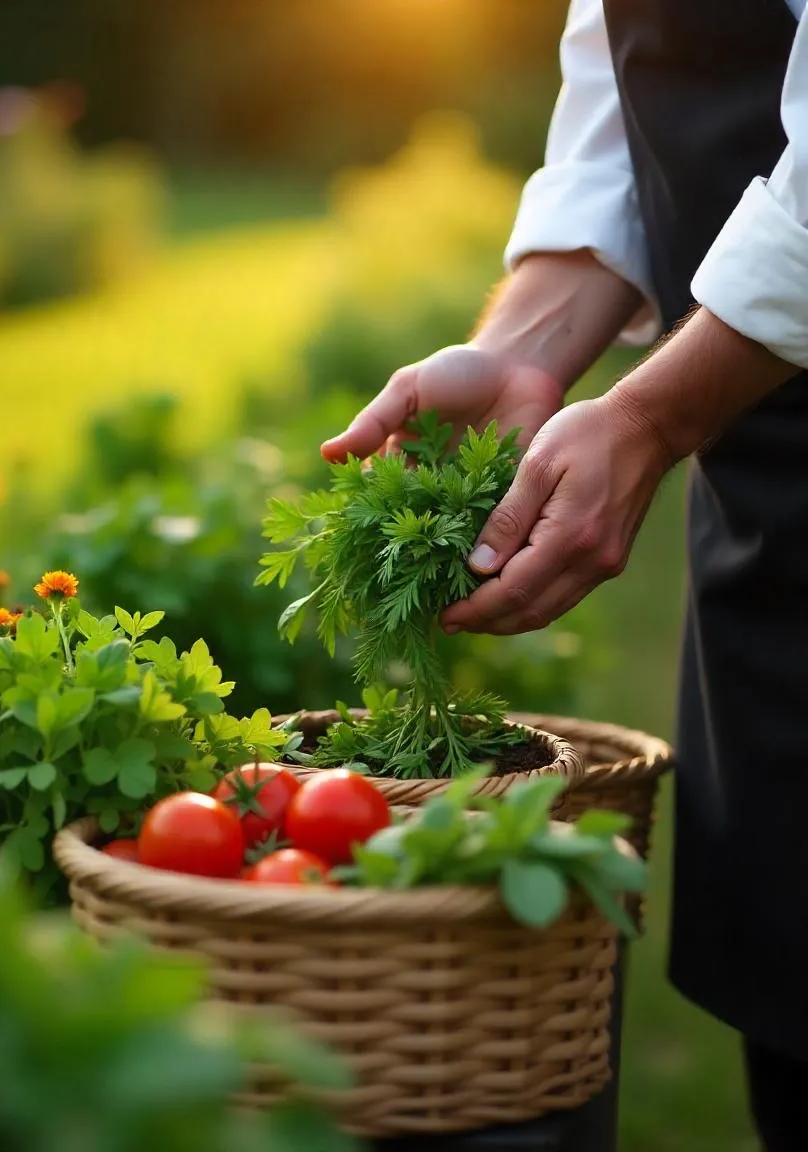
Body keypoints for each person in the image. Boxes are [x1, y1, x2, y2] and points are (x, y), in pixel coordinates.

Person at [320, 0, 808, 1147]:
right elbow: (633, 95)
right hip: (771, 498)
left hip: (720, 395)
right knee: (791, 996)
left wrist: (646, 415)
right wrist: (523, 353)